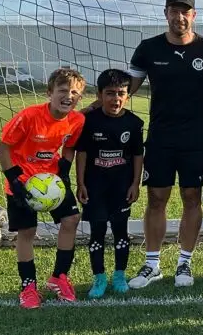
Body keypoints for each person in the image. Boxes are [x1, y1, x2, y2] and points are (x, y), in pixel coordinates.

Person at [124, 0, 203, 289]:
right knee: (156, 198)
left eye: (185, 11)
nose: (179, 16)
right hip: (160, 138)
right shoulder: (148, 48)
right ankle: (152, 264)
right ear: (165, 13)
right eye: (174, 10)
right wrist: (94, 108)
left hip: (196, 138)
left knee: (192, 198)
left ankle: (185, 263)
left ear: (193, 15)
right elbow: (126, 90)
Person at [0, 68, 86, 309]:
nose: (69, 96)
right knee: (27, 231)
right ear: (50, 92)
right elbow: (3, 148)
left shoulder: (77, 119)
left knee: (71, 219)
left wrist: (65, 169)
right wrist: (14, 180)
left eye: (75, 92)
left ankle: (59, 277)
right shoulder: (29, 116)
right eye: (63, 90)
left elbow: (70, 145)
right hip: (23, 180)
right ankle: (28, 287)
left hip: (52, 181)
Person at [76, 69, 144, 298]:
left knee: (120, 230)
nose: (116, 99)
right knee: (97, 231)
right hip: (95, 186)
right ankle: (99, 278)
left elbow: (137, 155)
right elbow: (82, 153)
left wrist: (135, 183)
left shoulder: (134, 123)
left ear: (127, 95)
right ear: (99, 94)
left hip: (121, 186)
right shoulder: (89, 121)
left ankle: (119, 275)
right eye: (110, 93)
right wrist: (80, 183)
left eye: (121, 93)